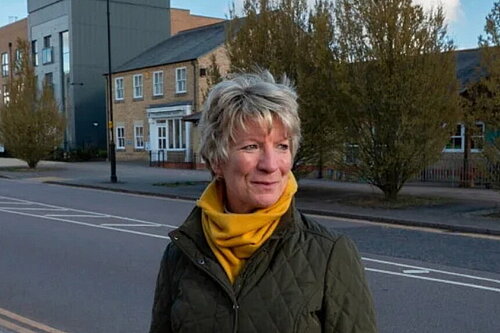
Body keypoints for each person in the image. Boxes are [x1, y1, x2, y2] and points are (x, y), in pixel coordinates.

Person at [149, 71, 377, 333]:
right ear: (217, 160)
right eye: (251, 147)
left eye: (281, 146)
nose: (271, 165)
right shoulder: (181, 254)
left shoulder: (330, 253)